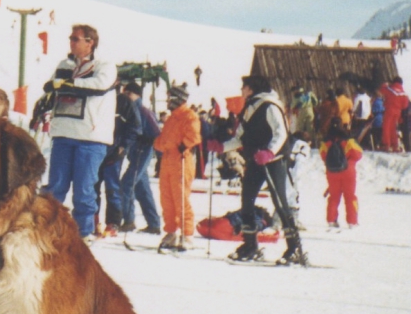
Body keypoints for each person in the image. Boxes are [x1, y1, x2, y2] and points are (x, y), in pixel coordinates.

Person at [33, 24, 116, 244]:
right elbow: (52, 88)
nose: (71, 42)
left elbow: (99, 85)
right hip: (63, 133)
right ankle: (46, 227)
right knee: (55, 186)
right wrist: (42, 103)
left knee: (84, 189)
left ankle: (83, 232)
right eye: (71, 38)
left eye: (76, 38)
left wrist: (67, 84)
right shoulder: (64, 65)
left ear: (90, 42)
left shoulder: (104, 66)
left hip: (90, 137)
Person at [210, 75, 305, 265]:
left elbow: (281, 132)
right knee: (247, 200)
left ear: (252, 88)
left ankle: (294, 248)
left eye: (243, 87)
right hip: (255, 159)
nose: (241, 90)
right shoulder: (250, 107)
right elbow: (240, 137)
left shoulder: (269, 105)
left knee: (279, 201)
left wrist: (269, 152)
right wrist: (222, 147)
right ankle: (250, 244)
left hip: (272, 160)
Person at [153, 83, 201, 252]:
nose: (167, 102)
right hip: (167, 162)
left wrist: (184, 145)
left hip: (181, 161)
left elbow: (194, 136)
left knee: (180, 199)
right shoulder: (172, 118)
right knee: (167, 199)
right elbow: (162, 140)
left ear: (178, 99)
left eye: (170, 98)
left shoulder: (189, 116)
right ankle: (171, 232)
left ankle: (187, 235)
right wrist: (156, 143)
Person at [117, 81, 163, 237]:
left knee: (127, 183)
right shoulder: (128, 110)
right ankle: (154, 223)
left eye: (129, 94)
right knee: (142, 188)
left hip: (142, 151)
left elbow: (157, 134)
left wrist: (148, 140)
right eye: (125, 93)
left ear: (137, 95)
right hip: (134, 153)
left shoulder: (144, 111)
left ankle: (129, 221)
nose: (126, 97)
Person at [320, 120, 362, 229]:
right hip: (348, 171)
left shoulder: (325, 143)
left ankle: (331, 220)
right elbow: (358, 154)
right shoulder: (348, 141)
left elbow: (323, 156)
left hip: (332, 172)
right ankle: (352, 222)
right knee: (350, 197)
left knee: (334, 197)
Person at [378, 78, 408, 153]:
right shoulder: (403, 93)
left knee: (386, 127)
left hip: (389, 110)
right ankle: (395, 145)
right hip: (398, 112)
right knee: (394, 128)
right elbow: (405, 105)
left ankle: (386, 144)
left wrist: (385, 84)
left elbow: (382, 90)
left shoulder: (390, 89)